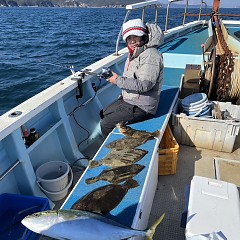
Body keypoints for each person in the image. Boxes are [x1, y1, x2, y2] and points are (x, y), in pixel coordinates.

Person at [100, 18, 164, 138]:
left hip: (142, 106)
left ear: (143, 36)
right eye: (129, 38)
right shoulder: (135, 52)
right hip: (130, 98)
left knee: (106, 124)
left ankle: (117, 148)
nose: (132, 41)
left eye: (136, 36)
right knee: (103, 114)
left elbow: (145, 85)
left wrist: (117, 80)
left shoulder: (150, 55)